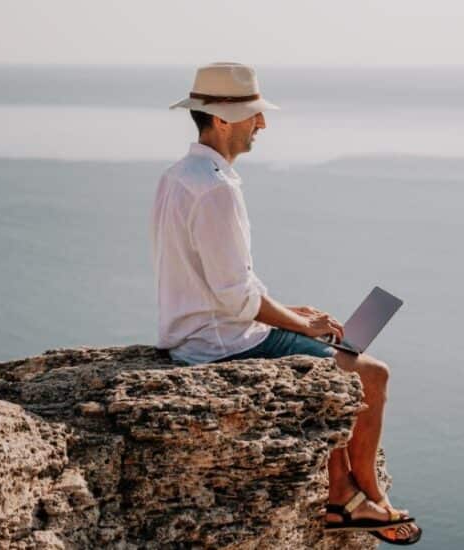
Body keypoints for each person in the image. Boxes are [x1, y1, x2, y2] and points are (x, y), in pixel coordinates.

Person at [150, 62, 421, 545]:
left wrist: (295, 316)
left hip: (203, 328)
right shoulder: (215, 190)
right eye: (255, 114)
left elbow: (222, 283)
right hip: (221, 342)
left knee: (338, 347)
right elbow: (235, 297)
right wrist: (299, 324)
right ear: (222, 119)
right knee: (371, 373)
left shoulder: (180, 175)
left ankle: (343, 492)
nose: (263, 124)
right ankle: (363, 499)